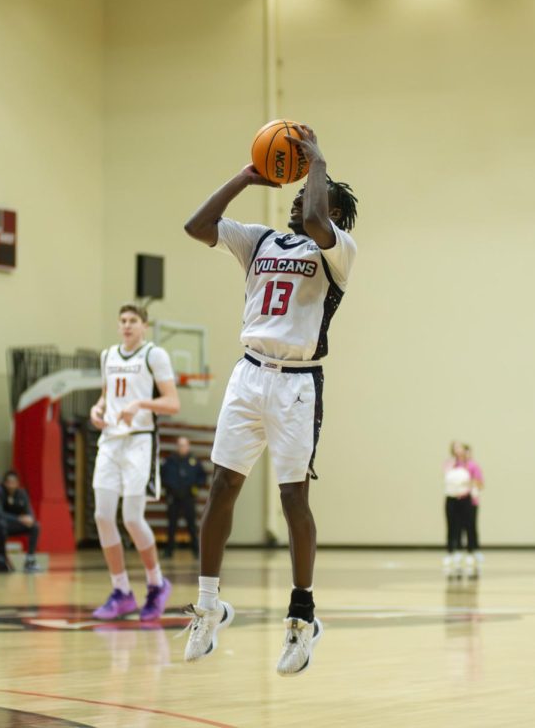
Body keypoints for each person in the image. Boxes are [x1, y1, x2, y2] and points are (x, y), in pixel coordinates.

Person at [182, 125, 358, 676]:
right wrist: (245, 175)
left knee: (291, 501)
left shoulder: (339, 253)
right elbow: (196, 226)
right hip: (249, 373)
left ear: (331, 210)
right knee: (221, 487)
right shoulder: (258, 240)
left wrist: (319, 161)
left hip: (297, 384)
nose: (304, 197)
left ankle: (302, 618)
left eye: (316, 193)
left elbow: (313, 220)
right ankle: (209, 606)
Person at [88, 303, 180, 621]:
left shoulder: (154, 355)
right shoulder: (107, 355)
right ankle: (121, 591)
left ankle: (156, 583)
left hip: (140, 440)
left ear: (145, 326)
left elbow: (172, 403)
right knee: (101, 515)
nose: (127, 325)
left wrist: (140, 403)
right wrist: (97, 409)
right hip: (111, 440)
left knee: (131, 518)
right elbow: (106, 395)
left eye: (133, 321)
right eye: (122, 320)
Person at [160, 437, 206, 559]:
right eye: (180, 445)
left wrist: (194, 488)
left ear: (188, 446)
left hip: (188, 497)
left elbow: (202, 477)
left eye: (184, 445)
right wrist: (169, 488)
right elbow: (162, 477)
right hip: (173, 497)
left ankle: (196, 551)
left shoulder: (194, 461)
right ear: (177, 447)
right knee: (171, 525)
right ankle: (169, 551)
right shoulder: (169, 461)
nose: (182, 448)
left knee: (191, 525)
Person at [443, 442, 484, 577]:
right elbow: (447, 478)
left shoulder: (472, 465)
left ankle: (472, 551)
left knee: (469, 526)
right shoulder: (450, 464)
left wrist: (467, 482)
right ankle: (454, 551)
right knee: (454, 526)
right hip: (453, 498)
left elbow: (480, 483)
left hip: (468, 499)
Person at [0, 471, 40, 572]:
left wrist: (30, 519)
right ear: (4, 483)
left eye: (14, 482)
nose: (11, 485)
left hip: (11, 526)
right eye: (9, 482)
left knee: (35, 526)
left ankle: (30, 559)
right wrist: (19, 519)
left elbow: (29, 511)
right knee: (0, 524)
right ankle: (0, 558)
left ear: (18, 483)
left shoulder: (22, 493)